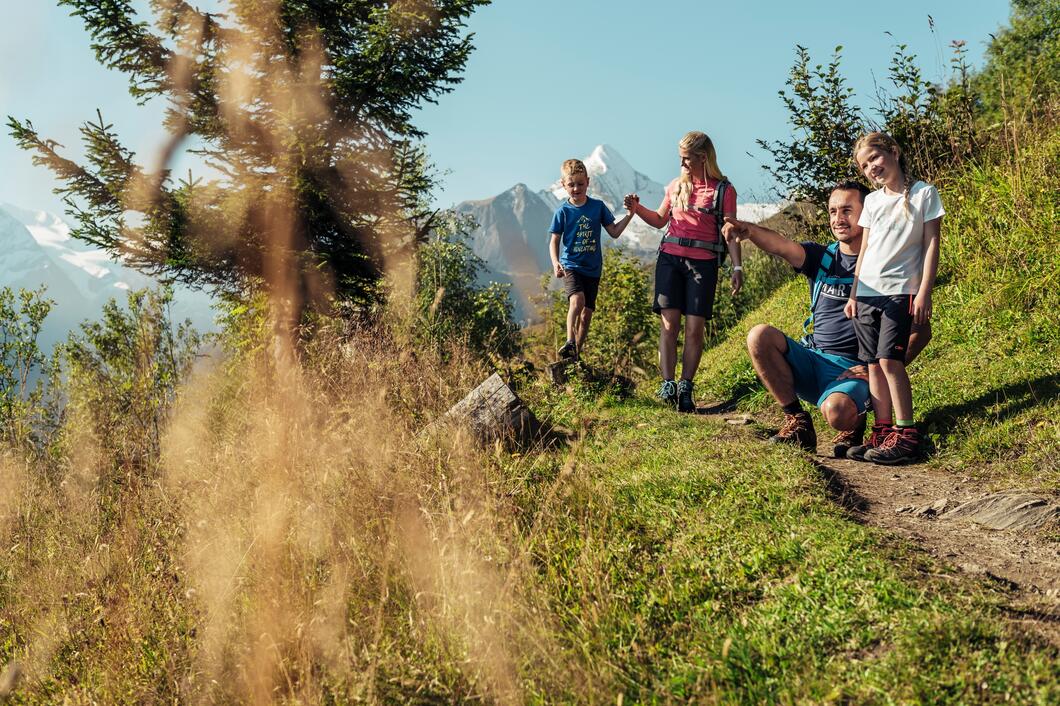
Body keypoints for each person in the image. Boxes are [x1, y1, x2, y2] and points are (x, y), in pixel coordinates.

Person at [722, 181, 931, 457]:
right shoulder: (822, 257)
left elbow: (922, 331)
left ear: (868, 213)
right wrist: (749, 230)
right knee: (759, 335)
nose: (838, 219)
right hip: (812, 359)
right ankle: (797, 422)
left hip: (854, 370)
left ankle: (854, 422)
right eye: (833, 211)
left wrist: (876, 371)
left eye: (847, 210)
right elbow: (781, 246)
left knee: (837, 411)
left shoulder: (887, 264)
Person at [623, 131, 743, 413]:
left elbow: (731, 232)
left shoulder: (724, 190)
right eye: (681, 159)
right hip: (670, 259)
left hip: (703, 263)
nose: (682, 164)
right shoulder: (676, 186)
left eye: (687, 159)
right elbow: (659, 220)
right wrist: (637, 208)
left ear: (703, 157)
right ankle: (668, 385)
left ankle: (686, 387)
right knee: (669, 324)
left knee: (694, 329)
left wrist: (737, 267)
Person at [843, 132, 943, 465]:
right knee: (873, 365)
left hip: (900, 291)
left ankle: (907, 434)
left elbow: (931, 245)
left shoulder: (924, 194)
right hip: (867, 293)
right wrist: (854, 294)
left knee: (890, 361)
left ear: (894, 152)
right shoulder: (871, 202)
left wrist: (924, 291)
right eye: (865, 165)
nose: (872, 167)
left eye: (875, 158)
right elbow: (865, 250)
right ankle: (883, 431)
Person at [549, 158, 634, 360]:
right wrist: (555, 262)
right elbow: (554, 241)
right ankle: (570, 341)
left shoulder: (598, 207)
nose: (576, 188)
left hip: (593, 269)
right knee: (577, 301)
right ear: (563, 185)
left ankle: (576, 353)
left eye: (580, 183)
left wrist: (630, 215)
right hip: (572, 265)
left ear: (588, 182)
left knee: (586, 315)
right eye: (571, 184)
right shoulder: (563, 211)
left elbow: (613, 232)